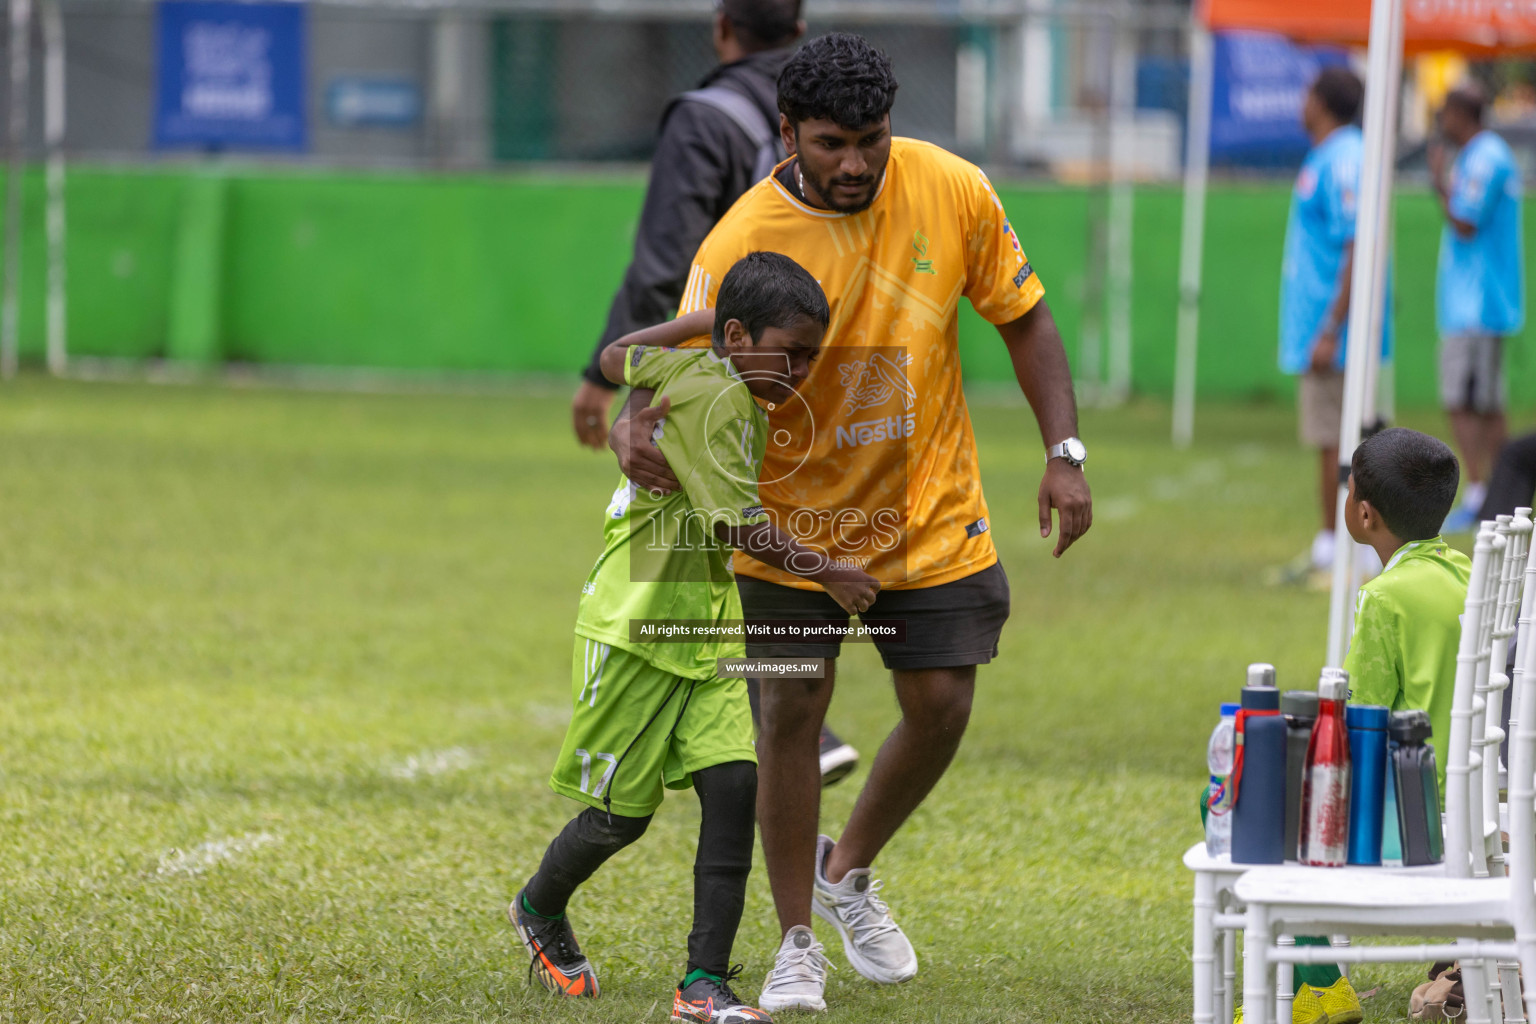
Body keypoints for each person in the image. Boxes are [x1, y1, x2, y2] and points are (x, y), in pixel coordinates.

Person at [609, 33, 1091, 1013]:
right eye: (831, 143)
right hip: (793, 529)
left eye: (870, 139)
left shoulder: (952, 188)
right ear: (787, 134)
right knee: (790, 711)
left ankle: (848, 869)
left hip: (930, 508)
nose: (855, 163)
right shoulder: (740, 237)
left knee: (943, 704)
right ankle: (795, 942)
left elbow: (1024, 314)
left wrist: (1064, 453)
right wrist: (636, 427)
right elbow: (686, 368)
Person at [513, 252, 878, 1023]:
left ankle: (702, 984)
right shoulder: (716, 400)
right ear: (742, 338)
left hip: (703, 622)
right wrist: (831, 572)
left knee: (735, 785)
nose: (806, 371)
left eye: (814, 354)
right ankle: (539, 908)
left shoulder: (702, 369)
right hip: (638, 621)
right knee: (622, 815)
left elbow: (616, 357)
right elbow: (736, 524)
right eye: (794, 352)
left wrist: (710, 323)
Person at [569, 0, 862, 785]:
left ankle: (768, 715)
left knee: (689, 545)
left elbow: (664, 257)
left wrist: (617, 392)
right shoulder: (824, 117)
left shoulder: (707, 118)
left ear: (721, 27)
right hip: (819, 367)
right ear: (798, 34)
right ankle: (793, 713)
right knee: (747, 536)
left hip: (719, 373)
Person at [1274, 66, 1388, 586]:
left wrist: (1331, 328)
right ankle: (1338, 543)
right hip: (1328, 329)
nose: (1301, 103)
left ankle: (1344, 547)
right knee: (1337, 437)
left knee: (1340, 438)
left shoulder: (1345, 158)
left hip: (1337, 334)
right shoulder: (1331, 155)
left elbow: (1356, 243)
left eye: (1306, 93)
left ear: (1322, 102)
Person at [1430, 85, 1525, 532]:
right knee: (1471, 400)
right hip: (1469, 304)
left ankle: (1496, 492)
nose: (1439, 120)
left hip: (1481, 304)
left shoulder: (1485, 158)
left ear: (1460, 114)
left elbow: (1465, 221)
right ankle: (1493, 491)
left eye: (1444, 112)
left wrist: (1438, 185)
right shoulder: (1477, 154)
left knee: (1478, 402)